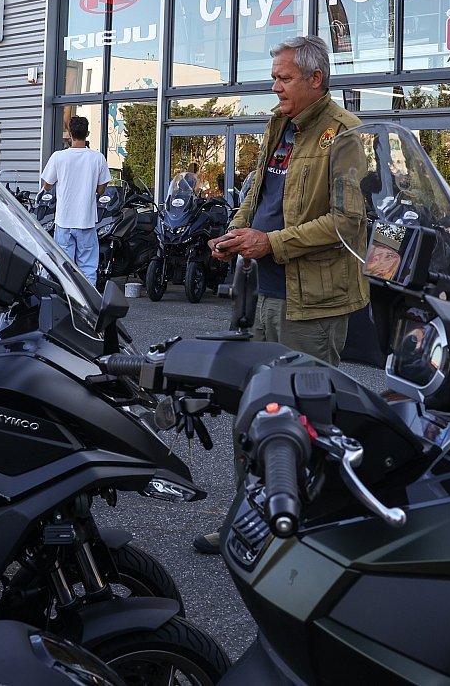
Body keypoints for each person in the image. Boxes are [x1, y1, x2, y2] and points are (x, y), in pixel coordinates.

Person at [193, 34, 367, 555]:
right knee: (256, 415)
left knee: (305, 423)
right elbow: (258, 193)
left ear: (316, 78)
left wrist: (271, 243)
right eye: (274, 78)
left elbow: (347, 222)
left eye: (284, 78)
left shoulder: (346, 134)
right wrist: (235, 232)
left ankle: (303, 535)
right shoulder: (279, 125)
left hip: (311, 304)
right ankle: (247, 520)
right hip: (263, 295)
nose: (275, 87)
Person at [41, 116, 110, 283]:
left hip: (64, 220)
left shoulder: (58, 157)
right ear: (87, 133)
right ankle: (88, 298)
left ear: (70, 134)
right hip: (86, 220)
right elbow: (101, 190)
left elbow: (47, 186)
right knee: (88, 268)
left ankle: (65, 296)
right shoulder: (98, 158)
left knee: (64, 267)